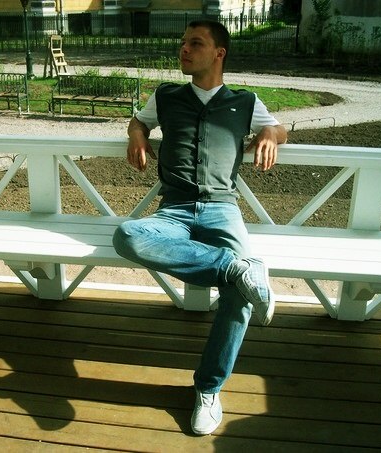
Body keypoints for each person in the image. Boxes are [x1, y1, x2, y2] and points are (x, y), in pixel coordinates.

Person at [112, 19, 287, 435]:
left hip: (222, 210)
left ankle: (209, 388)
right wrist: (136, 134)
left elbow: (279, 128)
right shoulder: (166, 96)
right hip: (173, 211)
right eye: (183, 43)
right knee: (127, 235)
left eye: (195, 43)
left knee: (239, 297)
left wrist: (269, 133)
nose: (184, 50)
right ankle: (237, 268)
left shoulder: (244, 101)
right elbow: (139, 120)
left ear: (219, 53)